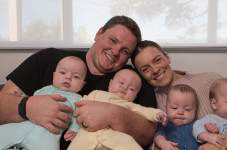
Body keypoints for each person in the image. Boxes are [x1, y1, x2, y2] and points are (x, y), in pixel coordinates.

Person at [0, 16, 157, 149]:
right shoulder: (49, 58)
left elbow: (148, 134)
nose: (116, 52)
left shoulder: (131, 79)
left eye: (125, 51)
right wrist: (28, 106)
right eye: (113, 40)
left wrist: (113, 114)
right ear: (99, 33)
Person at [131, 40, 227, 150]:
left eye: (157, 60)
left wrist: (221, 144)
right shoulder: (150, 104)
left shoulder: (209, 80)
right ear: (142, 76)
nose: (155, 70)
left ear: (167, 57)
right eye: (146, 69)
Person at [0, 56, 87, 150]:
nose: (68, 77)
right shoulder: (44, 89)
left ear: (82, 84)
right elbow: (31, 102)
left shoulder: (77, 99)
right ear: (54, 75)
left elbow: (77, 117)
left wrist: (74, 131)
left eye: (76, 77)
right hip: (23, 125)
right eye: (62, 72)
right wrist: (20, 97)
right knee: (3, 132)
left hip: (48, 134)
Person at [68, 69, 167, 150]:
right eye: (121, 82)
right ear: (110, 84)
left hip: (115, 138)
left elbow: (145, 110)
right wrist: (75, 129)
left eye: (131, 89)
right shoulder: (96, 93)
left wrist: (157, 114)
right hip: (87, 135)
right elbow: (79, 106)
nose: (124, 88)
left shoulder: (129, 105)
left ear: (135, 96)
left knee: (130, 143)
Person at [154, 84, 199, 150]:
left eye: (187, 109)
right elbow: (158, 136)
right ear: (166, 108)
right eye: (174, 108)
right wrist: (163, 143)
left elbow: (205, 137)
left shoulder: (197, 125)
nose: (180, 112)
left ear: (195, 110)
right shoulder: (165, 124)